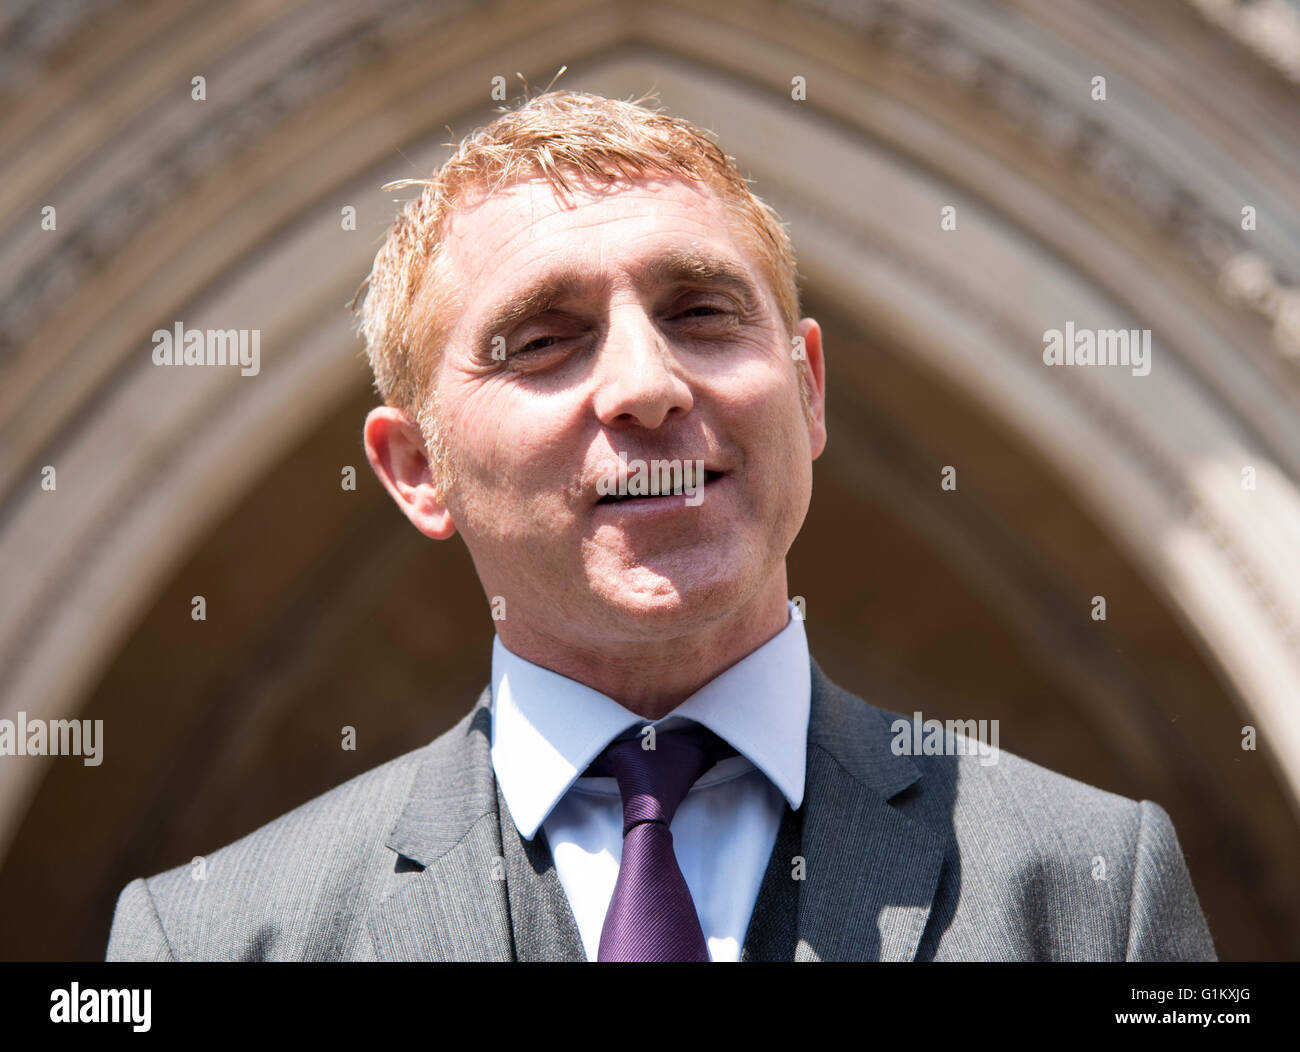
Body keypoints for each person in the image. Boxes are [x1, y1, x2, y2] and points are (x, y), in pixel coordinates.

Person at [106, 89, 1216, 962]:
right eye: (543, 339)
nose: (646, 383)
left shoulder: (1094, 888)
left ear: (808, 388)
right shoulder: (209, 941)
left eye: (700, 312)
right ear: (416, 468)